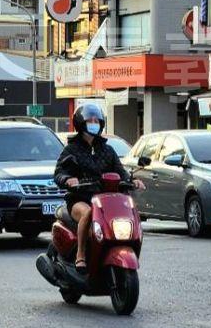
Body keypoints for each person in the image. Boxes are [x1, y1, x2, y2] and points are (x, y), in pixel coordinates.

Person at [53, 104, 144, 273]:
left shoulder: (108, 150)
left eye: (97, 120)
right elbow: (58, 173)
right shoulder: (71, 149)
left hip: (105, 200)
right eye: (89, 120)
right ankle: (80, 255)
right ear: (80, 123)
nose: (94, 123)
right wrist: (68, 179)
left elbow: (121, 172)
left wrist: (133, 181)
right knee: (88, 213)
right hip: (80, 199)